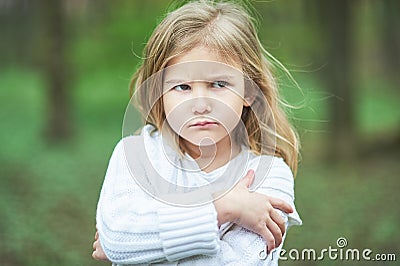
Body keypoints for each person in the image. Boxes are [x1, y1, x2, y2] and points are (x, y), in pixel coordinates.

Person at [92, 0, 302, 265]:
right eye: (182, 87)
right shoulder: (135, 155)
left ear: (249, 90)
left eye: (218, 83)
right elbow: (120, 240)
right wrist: (223, 208)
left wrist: (144, 248)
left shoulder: (269, 174)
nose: (201, 105)